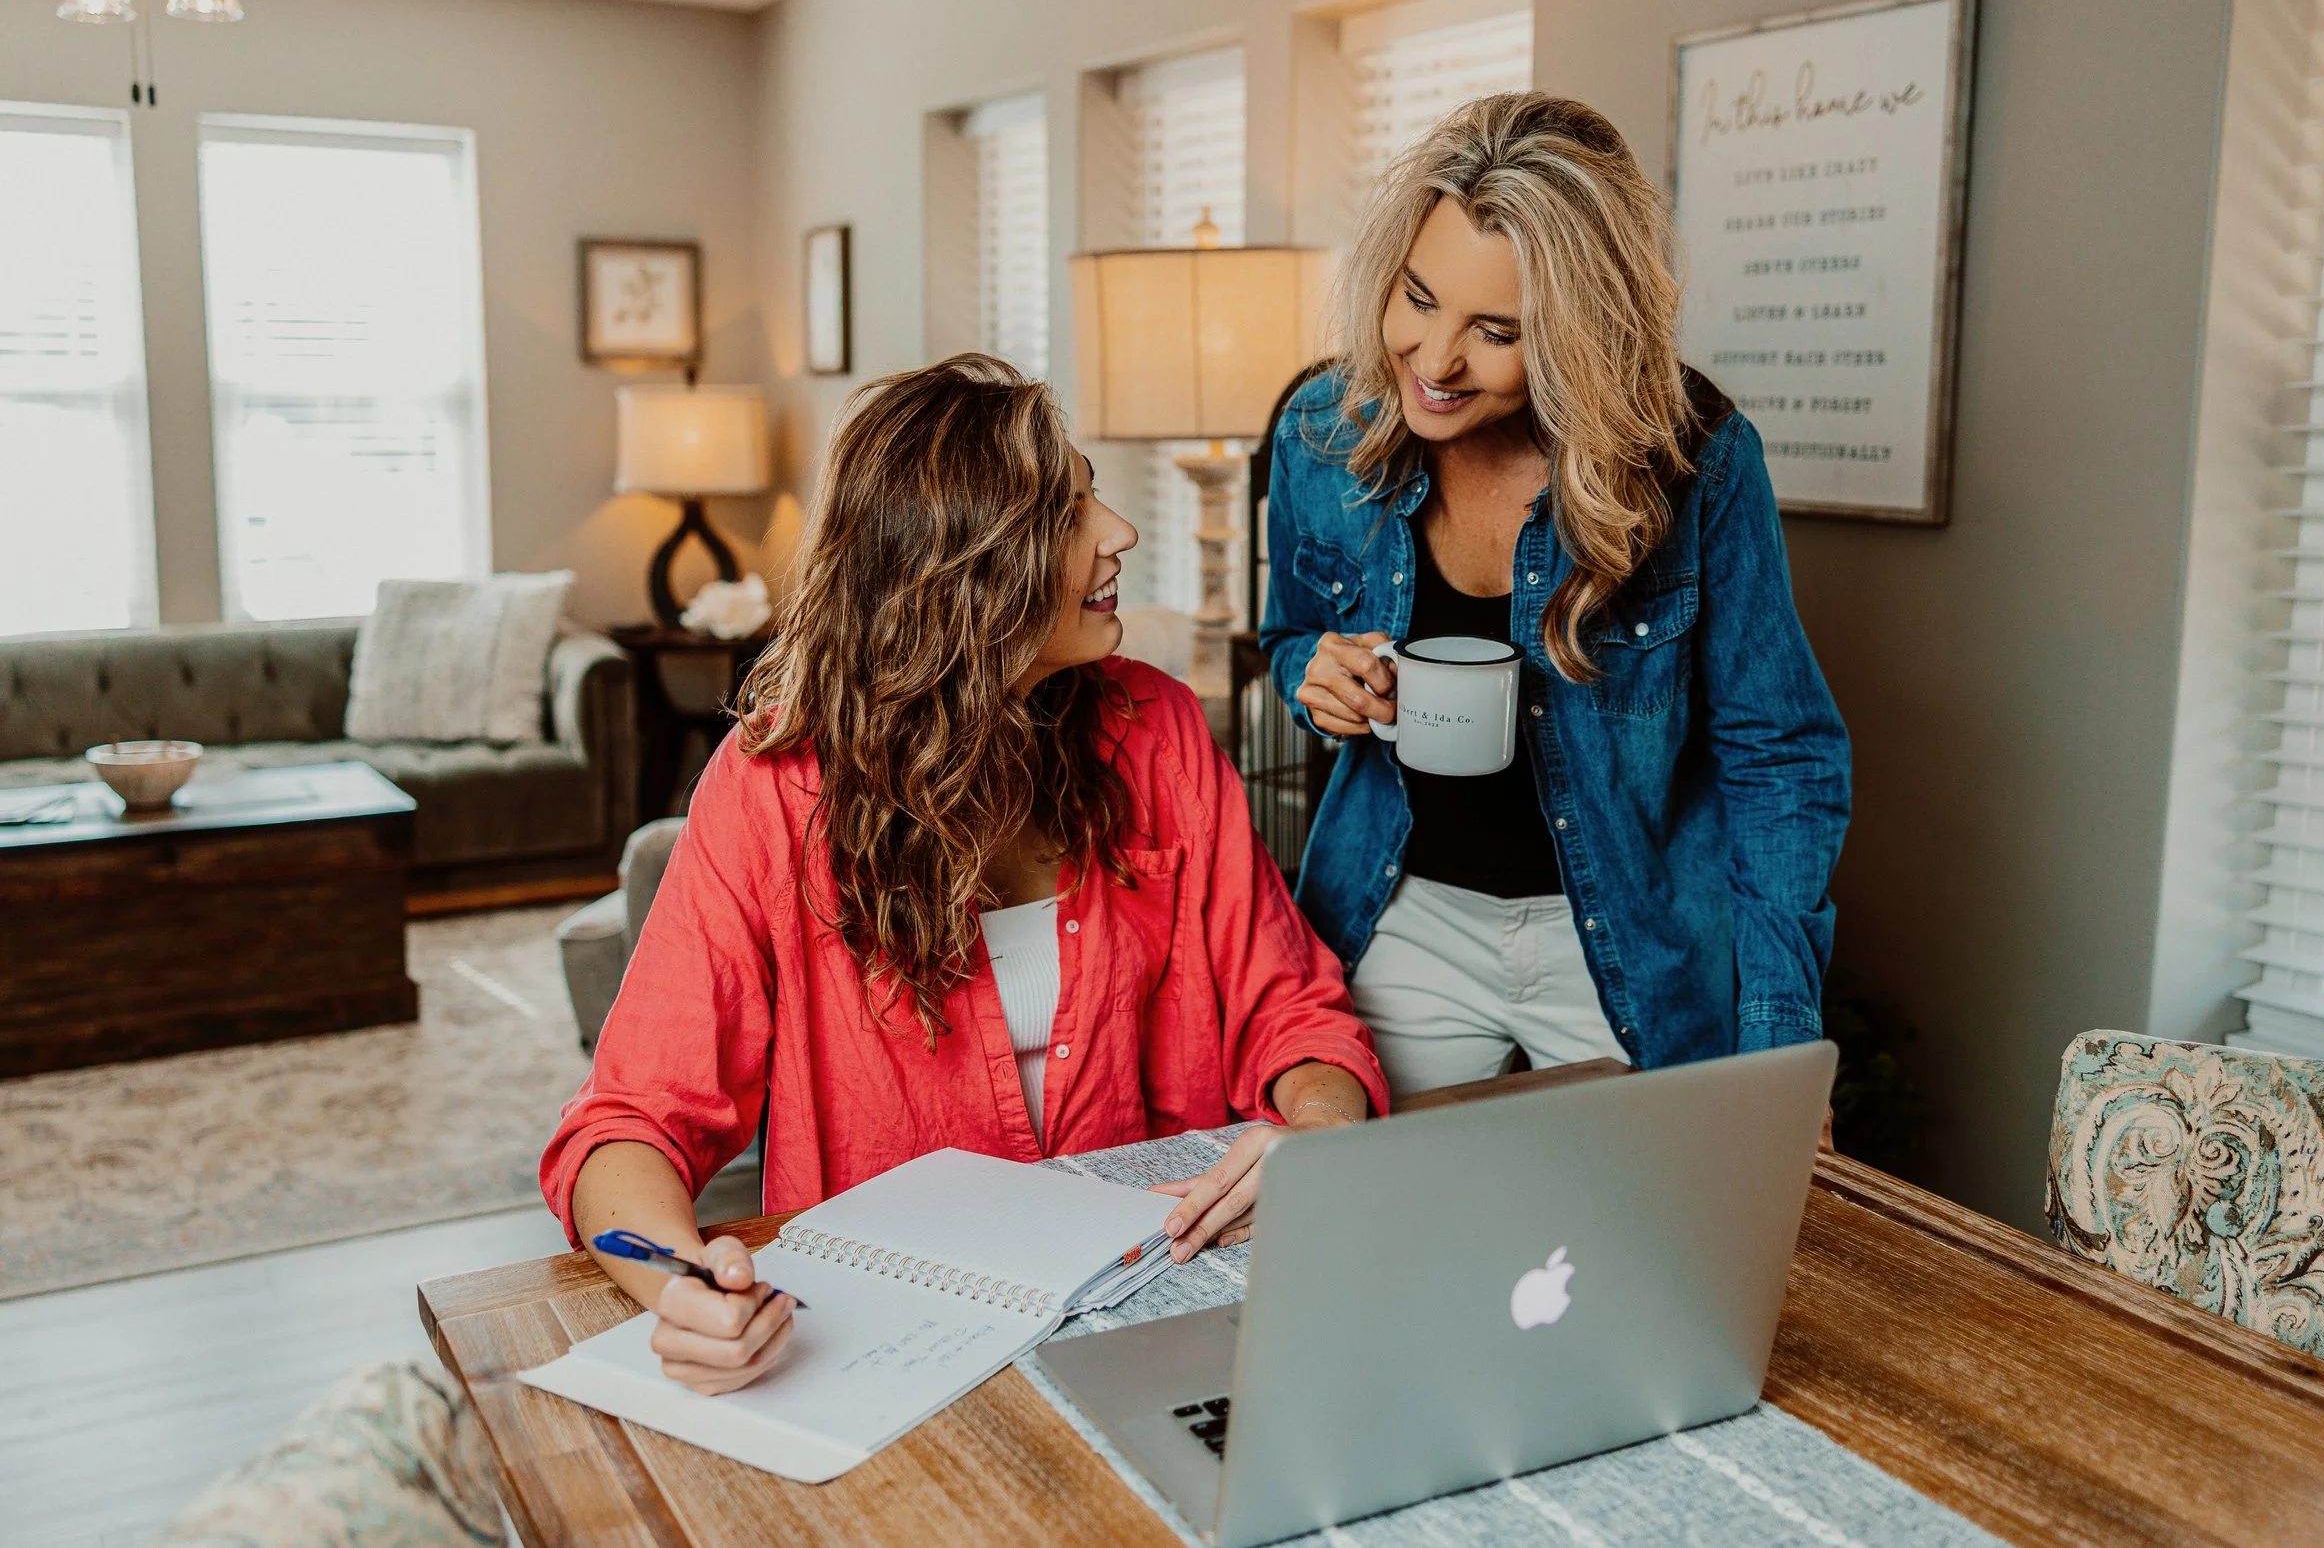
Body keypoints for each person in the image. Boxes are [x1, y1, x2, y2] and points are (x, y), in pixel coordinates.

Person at [546, 354, 1387, 1394]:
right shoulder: (776, 786)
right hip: (890, 1344)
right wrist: (681, 1285)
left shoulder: (1156, 729)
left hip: (1162, 1306)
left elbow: (1294, 1011)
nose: (1119, 532)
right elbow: (628, 1118)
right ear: (968, 572)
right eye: (1073, 510)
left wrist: (1314, 1136)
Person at [1262, 91, 1850, 1100]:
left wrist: (1778, 1038)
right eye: (1416, 297)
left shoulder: (1694, 461)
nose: (1435, 360)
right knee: (1366, 1222)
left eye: (1496, 331)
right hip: (1399, 918)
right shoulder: (1322, 429)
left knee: (1644, 1237)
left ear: (1582, 330)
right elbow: (1289, 634)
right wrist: (1311, 676)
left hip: (1632, 939)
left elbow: (1779, 754)